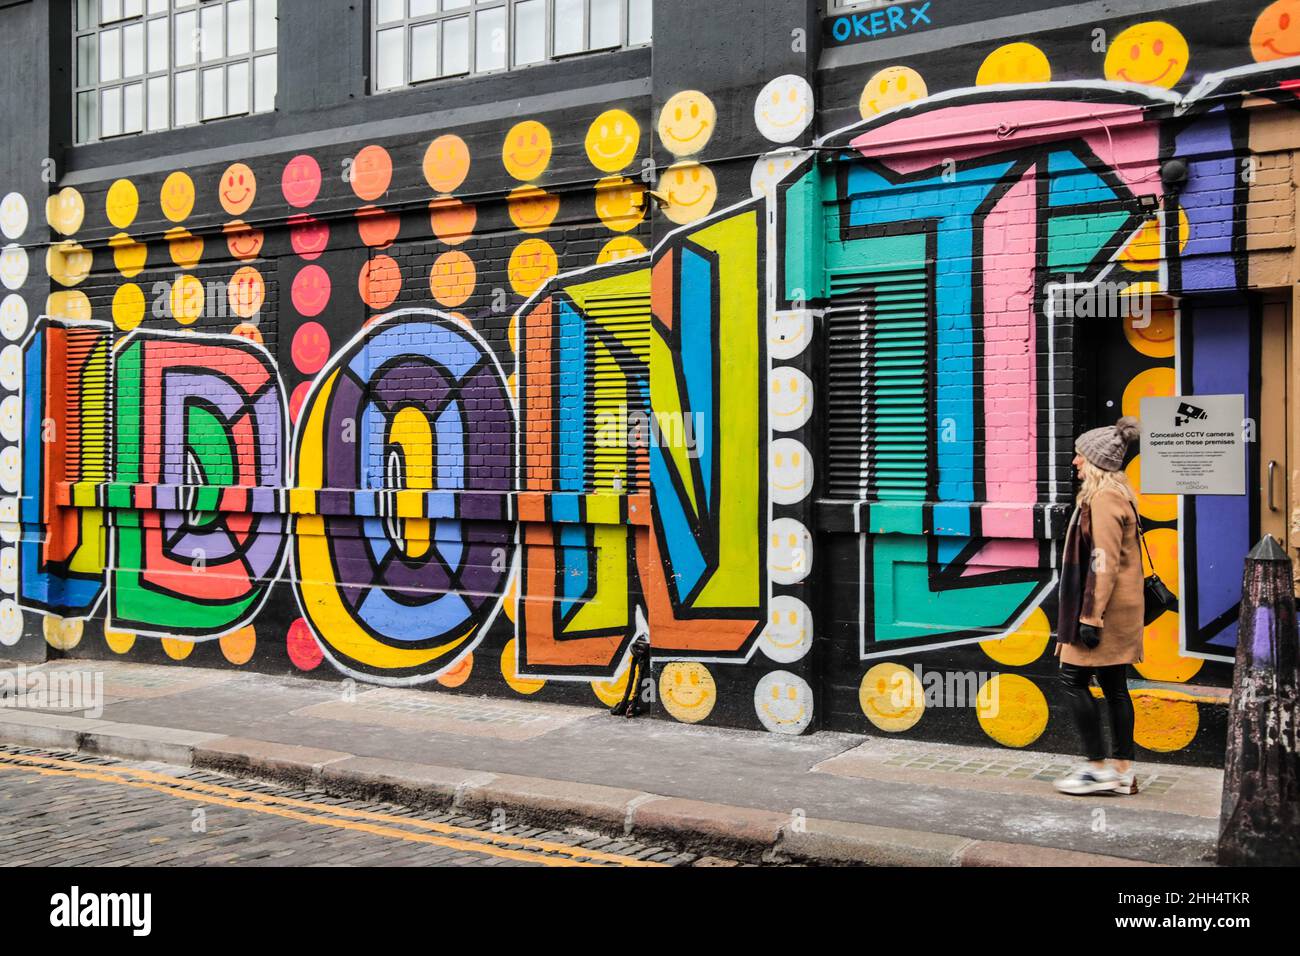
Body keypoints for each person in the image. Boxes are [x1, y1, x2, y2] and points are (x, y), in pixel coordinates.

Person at [1052, 416, 1144, 796]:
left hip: (1103, 610)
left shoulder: (1104, 498)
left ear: (1095, 461)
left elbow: (1102, 560)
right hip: (1121, 607)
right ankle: (1123, 772)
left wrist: (1089, 617)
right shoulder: (1117, 494)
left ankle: (1097, 769)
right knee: (1114, 685)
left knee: (1072, 680)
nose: (1074, 461)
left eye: (1079, 455)